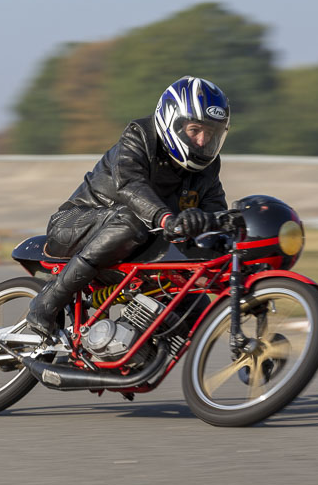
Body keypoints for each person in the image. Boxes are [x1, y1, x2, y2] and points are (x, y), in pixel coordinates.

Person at [26, 75, 242, 338]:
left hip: (137, 245)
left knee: (196, 308)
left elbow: (214, 212)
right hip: (76, 224)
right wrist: (166, 219)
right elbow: (130, 184)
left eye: (210, 133)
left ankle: (130, 356)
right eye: (195, 130)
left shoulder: (207, 169)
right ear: (172, 121)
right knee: (132, 220)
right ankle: (47, 301)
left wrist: (222, 226)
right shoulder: (140, 136)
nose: (201, 141)